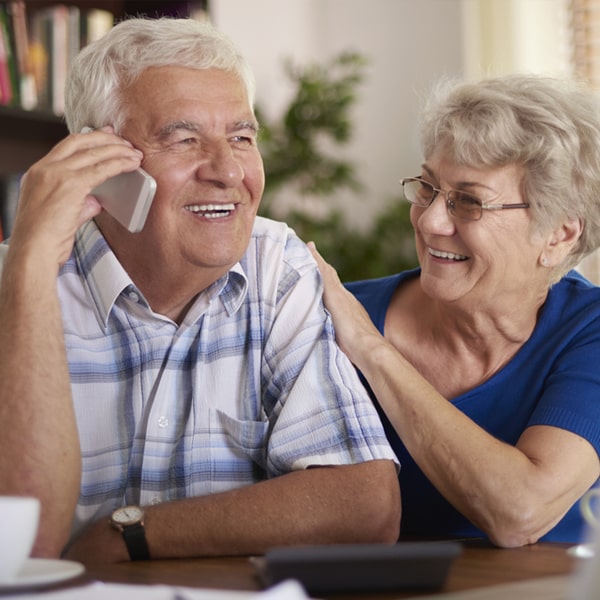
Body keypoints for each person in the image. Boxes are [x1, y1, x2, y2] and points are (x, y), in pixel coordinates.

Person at [0, 17, 401, 565]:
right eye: (184, 139)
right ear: (99, 165)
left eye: (241, 137)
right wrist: (25, 271)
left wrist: (130, 535)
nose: (228, 170)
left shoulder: (275, 266)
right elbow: (29, 545)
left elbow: (366, 507)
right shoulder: (17, 282)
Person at [309, 73, 600, 547]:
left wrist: (374, 352)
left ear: (559, 234)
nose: (429, 220)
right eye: (427, 187)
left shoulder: (589, 330)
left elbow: (520, 511)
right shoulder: (336, 313)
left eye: (468, 202)